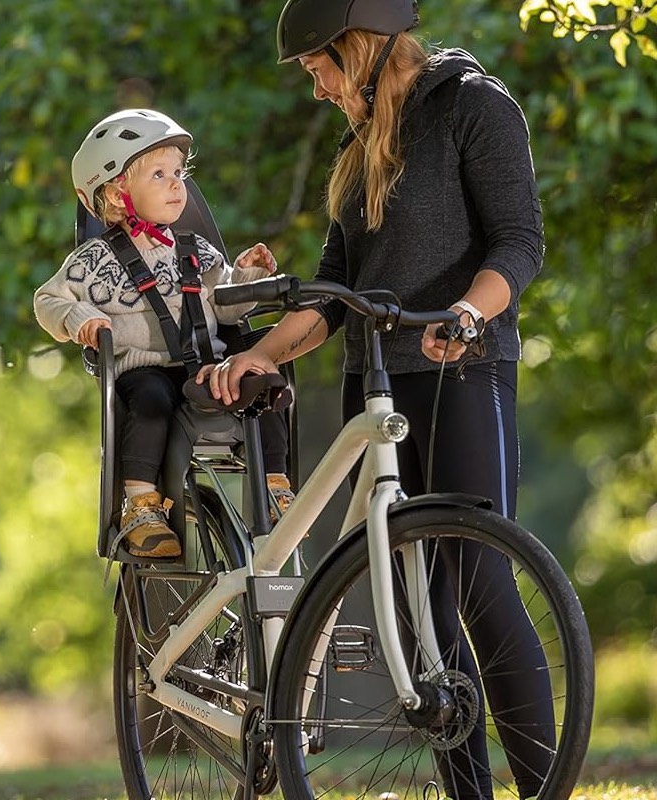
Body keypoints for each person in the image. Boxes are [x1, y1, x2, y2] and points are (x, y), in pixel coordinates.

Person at [197, 1, 553, 798]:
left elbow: (519, 242)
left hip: (463, 369)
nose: (316, 88)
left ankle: (544, 789)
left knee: (480, 584)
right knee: (423, 612)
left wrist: (468, 312)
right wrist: (258, 352)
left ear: (354, 46)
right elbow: (333, 293)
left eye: (318, 68)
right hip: (378, 383)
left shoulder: (475, 105)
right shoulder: (361, 144)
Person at [34, 108, 293, 559]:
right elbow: (48, 301)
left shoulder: (196, 251)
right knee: (151, 402)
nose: (179, 185)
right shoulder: (95, 260)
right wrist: (82, 321)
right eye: (160, 174)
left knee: (261, 377)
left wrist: (245, 277)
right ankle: (141, 504)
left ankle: (274, 484)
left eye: (179, 172)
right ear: (117, 194)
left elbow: (228, 307)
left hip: (206, 366)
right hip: (145, 369)